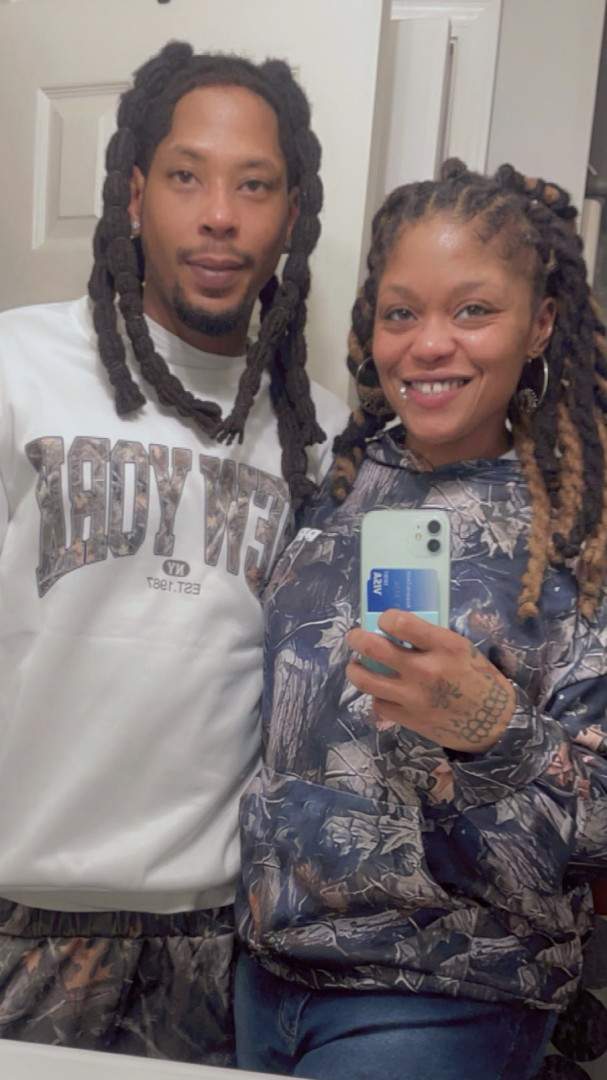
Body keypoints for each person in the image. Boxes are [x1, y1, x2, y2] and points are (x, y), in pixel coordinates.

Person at [0, 40, 348, 1065]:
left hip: (217, 942)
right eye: (187, 176)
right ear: (134, 192)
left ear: (292, 213)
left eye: (255, 185)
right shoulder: (17, 366)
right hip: (15, 913)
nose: (219, 216)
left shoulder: (319, 434)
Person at [234, 158, 607, 1080]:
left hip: (446, 995)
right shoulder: (331, 488)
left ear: (540, 323)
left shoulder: (583, 533)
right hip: (261, 978)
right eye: (401, 314)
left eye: (472, 310)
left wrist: (494, 728)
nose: (429, 344)